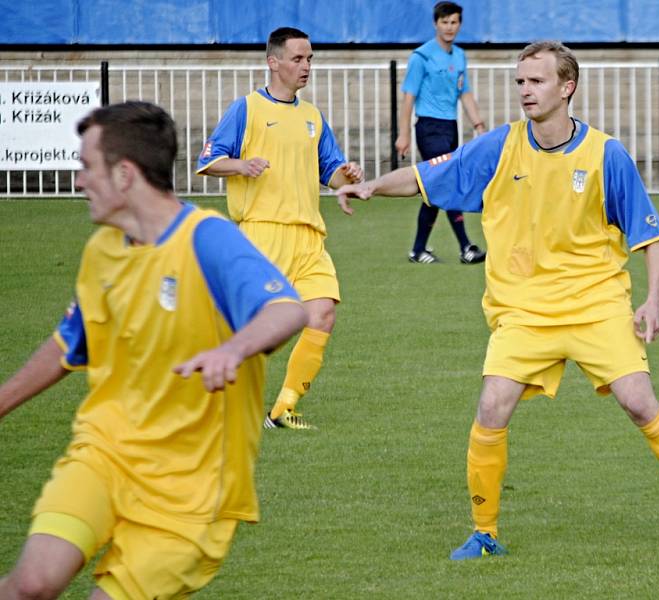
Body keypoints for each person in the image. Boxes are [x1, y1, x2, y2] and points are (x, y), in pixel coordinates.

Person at [337, 41, 659, 559]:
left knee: (641, 403)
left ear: (566, 86)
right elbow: (427, 176)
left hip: (595, 304)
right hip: (525, 312)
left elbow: (651, 235)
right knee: (491, 408)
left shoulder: (605, 154)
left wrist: (653, 301)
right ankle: (485, 535)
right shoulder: (500, 146)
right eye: (520, 81)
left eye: (537, 81)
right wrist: (370, 187)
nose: (526, 90)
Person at [0, 101, 307, 598]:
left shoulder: (208, 239)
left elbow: (287, 310)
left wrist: (234, 348)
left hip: (192, 493)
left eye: (86, 167)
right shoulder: (102, 250)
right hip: (105, 455)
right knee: (30, 584)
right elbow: (67, 345)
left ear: (124, 175)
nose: (78, 180)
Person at [197, 27, 363, 431]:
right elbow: (209, 160)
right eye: (298, 59)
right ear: (273, 62)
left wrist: (349, 176)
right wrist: (241, 165)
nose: (306, 67)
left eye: (310, 59)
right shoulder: (247, 109)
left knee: (322, 313)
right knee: (251, 329)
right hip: (262, 234)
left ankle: (283, 409)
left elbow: (331, 172)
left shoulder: (312, 117)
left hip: (309, 236)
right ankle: (202, 400)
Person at [394, 1, 486, 265]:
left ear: (460, 24)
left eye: (454, 22)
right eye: (444, 22)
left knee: (434, 189)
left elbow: (464, 92)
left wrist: (478, 124)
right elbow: (408, 99)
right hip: (428, 128)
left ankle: (418, 249)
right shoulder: (421, 56)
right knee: (447, 181)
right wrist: (404, 134)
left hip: (449, 127)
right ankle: (466, 247)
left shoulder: (459, 55)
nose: (449, 27)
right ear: (436, 24)